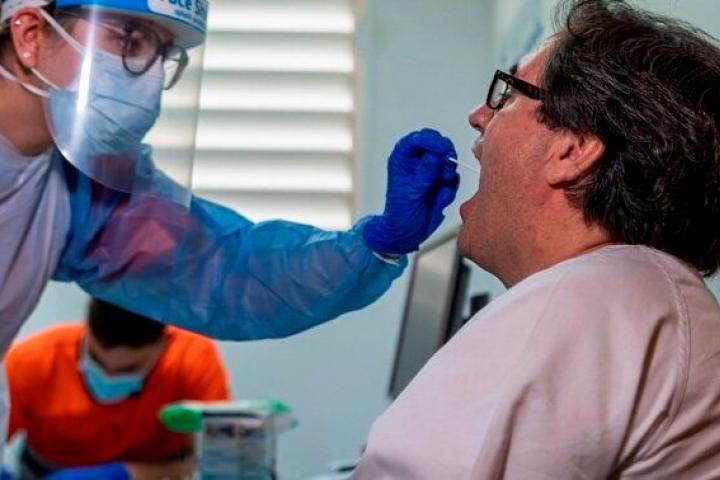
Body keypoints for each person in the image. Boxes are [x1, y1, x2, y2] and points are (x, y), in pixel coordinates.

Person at [0, 0, 459, 450]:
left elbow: (224, 269)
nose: (151, 76)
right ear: (30, 35)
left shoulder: (78, 186)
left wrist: (374, 244)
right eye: (131, 40)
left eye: (162, 53)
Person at [354, 0, 720, 478]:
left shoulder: (587, 298)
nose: (478, 115)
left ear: (573, 150)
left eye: (507, 95)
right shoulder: (644, 292)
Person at [4, 298, 230, 479]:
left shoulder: (192, 362)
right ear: (86, 331)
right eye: (95, 360)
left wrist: (127, 474)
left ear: (164, 345)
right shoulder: (31, 362)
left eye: (129, 369)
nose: (109, 376)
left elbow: (220, 462)